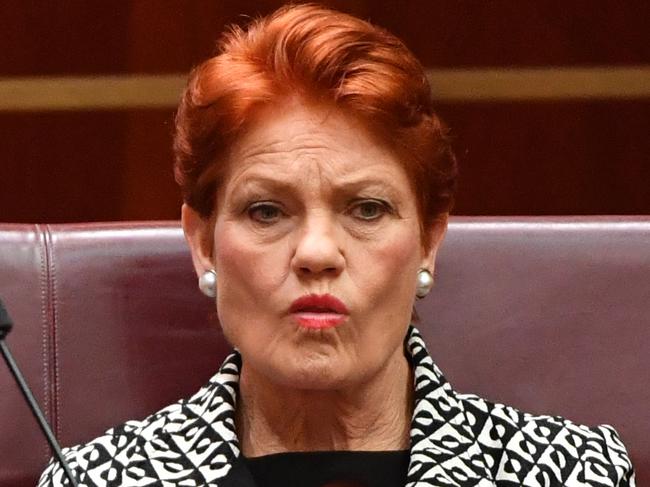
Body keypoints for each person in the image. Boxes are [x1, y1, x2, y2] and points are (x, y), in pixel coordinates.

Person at [39, 4, 635, 486]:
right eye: (266, 210)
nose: (317, 252)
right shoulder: (96, 479)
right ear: (203, 245)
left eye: (367, 209)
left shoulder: (568, 473)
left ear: (428, 242)